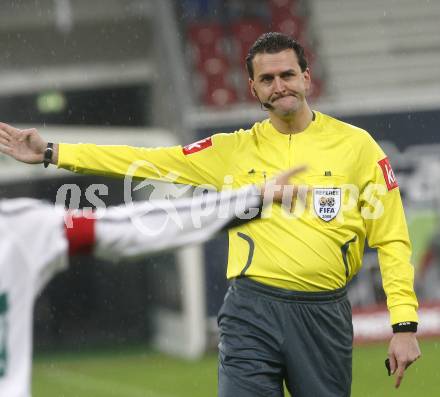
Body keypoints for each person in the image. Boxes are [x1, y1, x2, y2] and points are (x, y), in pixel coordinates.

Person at [0, 32, 420, 396]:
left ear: (306, 78)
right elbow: (146, 161)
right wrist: (54, 152)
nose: (279, 86)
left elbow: (391, 237)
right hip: (251, 310)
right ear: (253, 89)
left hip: (322, 315)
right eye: (267, 79)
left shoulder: (357, 146)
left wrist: (403, 325)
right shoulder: (232, 149)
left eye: (288, 75)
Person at [0, 165, 305, 397]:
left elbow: (131, 228)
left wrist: (253, 199)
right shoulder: (19, 227)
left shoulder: (20, 228)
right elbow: (132, 228)